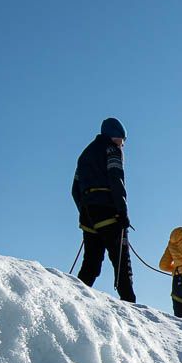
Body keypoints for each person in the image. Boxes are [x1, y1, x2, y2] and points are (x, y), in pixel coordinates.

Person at [72, 117, 135, 301]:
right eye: (122, 140)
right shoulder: (112, 150)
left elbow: (74, 189)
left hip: (88, 214)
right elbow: (116, 179)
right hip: (109, 211)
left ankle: (75, 299)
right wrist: (122, 211)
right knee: (121, 261)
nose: (122, 145)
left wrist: (85, 209)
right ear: (115, 136)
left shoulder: (84, 155)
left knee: (91, 263)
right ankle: (130, 303)